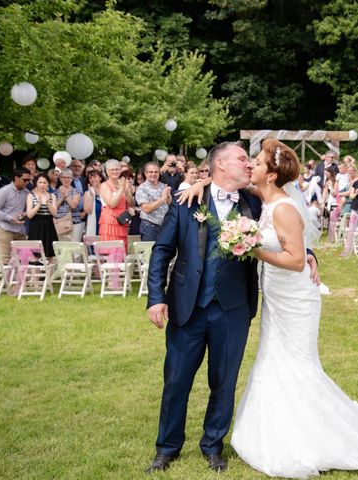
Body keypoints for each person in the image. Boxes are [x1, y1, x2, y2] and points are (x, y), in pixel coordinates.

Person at [231, 140, 358, 478]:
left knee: (296, 362)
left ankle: (314, 435)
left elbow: (297, 260)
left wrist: (254, 250)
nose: (249, 168)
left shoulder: (283, 208)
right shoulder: (267, 200)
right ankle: (274, 425)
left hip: (296, 299)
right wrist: (199, 182)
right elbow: (230, 182)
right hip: (277, 298)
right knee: (272, 356)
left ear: (270, 175)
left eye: (255, 163)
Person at [144, 140, 319, 474]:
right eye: (242, 158)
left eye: (251, 160)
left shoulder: (254, 202)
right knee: (176, 380)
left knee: (223, 382)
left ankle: (213, 445)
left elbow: (288, 229)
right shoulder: (186, 201)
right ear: (220, 165)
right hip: (187, 306)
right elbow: (161, 252)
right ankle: (167, 448)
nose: (249, 164)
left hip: (233, 307)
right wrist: (156, 298)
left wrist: (310, 255)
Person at [0, 168, 32, 264]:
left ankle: (19, 279)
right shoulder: (4, 191)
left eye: (29, 180)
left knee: (24, 260)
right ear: (16, 178)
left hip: (20, 230)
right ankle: (2, 279)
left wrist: (25, 214)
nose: (27, 182)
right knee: (4, 259)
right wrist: (9, 218)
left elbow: (28, 210)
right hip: (5, 229)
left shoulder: (26, 192)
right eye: (25, 180)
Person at [99, 159, 134, 250]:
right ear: (107, 171)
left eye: (117, 169)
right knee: (112, 251)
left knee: (122, 251)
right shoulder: (104, 185)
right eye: (112, 170)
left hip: (122, 221)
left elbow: (131, 203)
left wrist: (126, 191)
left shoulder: (123, 183)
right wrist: (121, 189)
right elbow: (112, 204)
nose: (115, 171)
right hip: (110, 222)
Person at [135, 162, 172, 241]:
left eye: (156, 172)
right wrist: (162, 199)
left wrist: (168, 196)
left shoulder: (163, 185)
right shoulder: (142, 188)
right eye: (150, 172)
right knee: (149, 252)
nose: (153, 174)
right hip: (149, 227)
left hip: (164, 226)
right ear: (145, 173)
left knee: (164, 252)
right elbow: (146, 209)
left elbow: (169, 203)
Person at [26, 173, 58, 259]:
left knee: (50, 255)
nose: (42, 185)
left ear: (48, 184)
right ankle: (35, 272)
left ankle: (50, 272)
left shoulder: (52, 196)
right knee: (35, 256)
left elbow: (55, 214)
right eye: (40, 182)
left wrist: (48, 203)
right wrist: (38, 205)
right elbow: (29, 215)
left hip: (49, 226)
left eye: (44, 182)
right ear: (36, 183)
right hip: (35, 226)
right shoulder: (31, 195)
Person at [54, 168, 83, 242]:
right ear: (60, 178)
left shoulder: (77, 191)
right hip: (60, 223)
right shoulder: (55, 192)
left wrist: (66, 196)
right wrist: (62, 197)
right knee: (62, 247)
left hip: (75, 223)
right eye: (64, 177)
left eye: (68, 177)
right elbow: (54, 207)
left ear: (72, 178)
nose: (66, 179)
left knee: (75, 247)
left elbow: (73, 206)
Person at [83, 169, 103, 236]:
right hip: (94, 220)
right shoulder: (87, 192)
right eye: (90, 178)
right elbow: (88, 211)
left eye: (94, 177)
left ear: (100, 178)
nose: (92, 179)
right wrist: (92, 196)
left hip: (106, 220)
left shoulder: (106, 189)